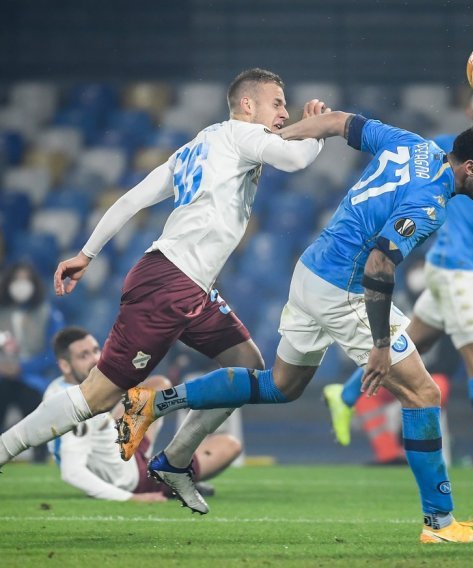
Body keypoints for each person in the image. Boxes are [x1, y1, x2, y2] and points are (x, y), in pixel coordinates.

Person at [117, 112, 473, 543]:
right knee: (423, 394)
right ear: (470, 168)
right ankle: (440, 523)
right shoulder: (430, 200)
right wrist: (380, 345)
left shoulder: (411, 144)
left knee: (281, 386)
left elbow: (339, 121)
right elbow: (379, 267)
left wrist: (277, 140)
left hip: (310, 270)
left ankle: (152, 403)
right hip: (344, 289)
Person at [0, 68, 328, 516]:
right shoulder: (240, 133)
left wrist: (88, 252)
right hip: (168, 283)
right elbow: (297, 160)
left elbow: (134, 197)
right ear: (247, 104)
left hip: (189, 285)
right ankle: (5, 448)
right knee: (97, 397)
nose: (285, 112)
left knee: (247, 367)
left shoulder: (198, 145)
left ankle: (174, 462)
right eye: (277, 102)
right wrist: (319, 129)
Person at [322, 93, 473, 493]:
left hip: (464, 271)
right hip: (454, 272)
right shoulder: (447, 154)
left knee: (410, 342)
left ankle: (345, 394)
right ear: (470, 111)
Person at [45, 326, 241, 503]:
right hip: (131, 477)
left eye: (96, 350)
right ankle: (171, 479)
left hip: (121, 446)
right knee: (229, 445)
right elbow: (72, 472)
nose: (95, 359)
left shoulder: (58, 388)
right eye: (84, 355)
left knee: (159, 386)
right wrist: (130, 497)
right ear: (65, 366)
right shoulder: (72, 407)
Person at [0, 262, 65, 463]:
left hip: (33, 379)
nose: (21, 285)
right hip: (2, 377)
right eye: (17, 280)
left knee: (34, 410)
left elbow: (53, 352)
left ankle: (40, 456)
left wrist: (22, 368)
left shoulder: (48, 313)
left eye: (25, 280)